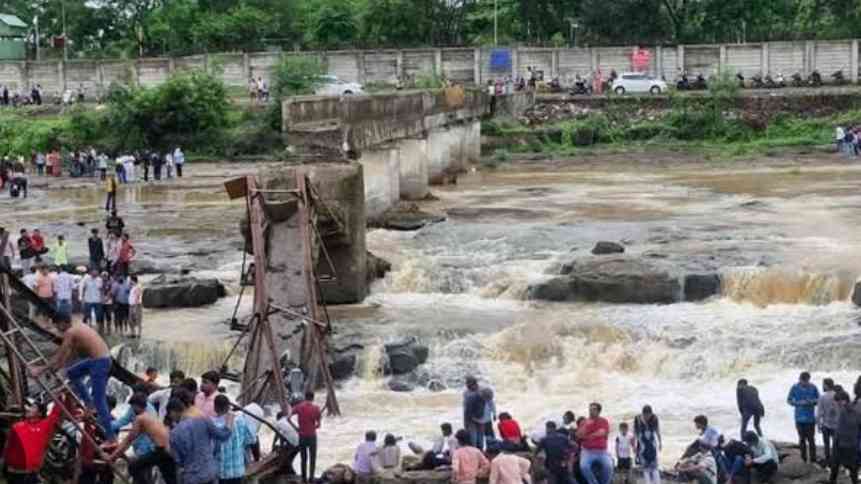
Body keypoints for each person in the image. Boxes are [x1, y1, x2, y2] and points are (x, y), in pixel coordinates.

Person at [30, 313, 115, 441]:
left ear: (63, 322)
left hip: (100, 363)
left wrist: (40, 370)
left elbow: (60, 354)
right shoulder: (77, 326)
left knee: (100, 400)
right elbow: (66, 354)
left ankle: (111, 438)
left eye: (57, 325)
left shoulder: (71, 332)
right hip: (98, 360)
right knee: (72, 373)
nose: (57, 329)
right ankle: (89, 403)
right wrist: (56, 367)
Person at [106, 393, 175, 484]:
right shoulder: (150, 415)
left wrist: (112, 456)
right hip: (169, 449)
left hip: (161, 450)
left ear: (136, 406)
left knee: (133, 466)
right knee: (170, 478)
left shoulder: (140, 418)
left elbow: (129, 440)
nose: (131, 409)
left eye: (132, 406)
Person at [167, 397, 233, 484]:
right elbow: (223, 436)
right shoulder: (203, 420)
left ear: (173, 412)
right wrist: (229, 422)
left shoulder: (174, 433)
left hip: (192, 477)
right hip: (210, 473)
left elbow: (178, 460)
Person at [3, 396, 66, 484]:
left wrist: (60, 397)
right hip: (13, 474)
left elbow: (55, 414)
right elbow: (8, 448)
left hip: (29, 475)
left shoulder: (43, 427)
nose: (28, 409)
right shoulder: (17, 426)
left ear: (40, 413)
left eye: (33, 407)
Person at [214, 395, 255, 484]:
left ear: (215, 408)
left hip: (222, 472)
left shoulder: (213, 424)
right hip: (238, 470)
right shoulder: (241, 420)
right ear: (229, 407)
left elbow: (212, 449)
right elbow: (251, 439)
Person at [827, 390, 859, 484]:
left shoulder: (849, 411)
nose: (836, 404)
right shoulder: (848, 410)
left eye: (838, 402)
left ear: (844, 400)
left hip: (846, 444)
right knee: (847, 468)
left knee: (839, 467)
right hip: (846, 443)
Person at [787, 371, 819, 463]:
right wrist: (797, 403)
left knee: (811, 440)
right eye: (803, 381)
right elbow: (789, 400)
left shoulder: (813, 387)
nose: (805, 383)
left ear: (809, 380)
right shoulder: (794, 387)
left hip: (810, 418)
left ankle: (813, 459)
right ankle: (803, 458)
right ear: (800, 379)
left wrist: (812, 401)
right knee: (801, 439)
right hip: (799, 418)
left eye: (806, 381)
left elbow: (818, 399)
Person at [577, 403, 613, 484]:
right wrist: (585, 425)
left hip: (602, 451)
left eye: (593, 409)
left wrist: (588, 436)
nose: (591, 411)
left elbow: (602, 433)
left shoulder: (603, 421)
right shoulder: (585, 422)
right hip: (587, 451)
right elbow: (579, 435)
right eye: (590, 409)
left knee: (609, 466)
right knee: (584, 466)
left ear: (598, 411)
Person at [292, 390, 322, 483]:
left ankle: (303, 479)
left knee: (303, 458)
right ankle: (311, 478)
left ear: (305, 397)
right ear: (313, 398)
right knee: (313, 458)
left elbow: (288, 417)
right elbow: (319, 424)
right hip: (312, 436)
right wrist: (314, 426)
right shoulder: (316, 408)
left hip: (302, 436)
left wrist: (296, 428)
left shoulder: (298, 407)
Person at [634, 405, 662, 484]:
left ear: (651, 414)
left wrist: (660, 443)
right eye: (645, 415)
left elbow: (657, 431)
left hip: (652, 444)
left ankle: (657, 482)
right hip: (642, 444)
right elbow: (635, 432)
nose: (647, 417)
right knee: (645, 467)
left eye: (649, 415)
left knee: (654, 466)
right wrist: (635, 444)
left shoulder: (654, 418)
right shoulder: (637, 419)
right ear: (642, 413)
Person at [818, 378, 839, 465]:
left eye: (823, 384)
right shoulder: (837, 395)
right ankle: (836, 460)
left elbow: (820, 413)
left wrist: (818, 424)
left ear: (826, 385)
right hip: (837, 425)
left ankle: (828, 460)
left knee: (826, 444)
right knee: (836, 445)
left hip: (826, 424)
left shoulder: (823, 397)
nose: (822, 386)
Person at [463, 376, 485, 449]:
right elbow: (465, 407)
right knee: (474, 436)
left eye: (469, 385)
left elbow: (467, 408)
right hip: (477, 417)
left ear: (475, 384)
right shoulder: (467, 392)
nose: (468, 386)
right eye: (467, 385)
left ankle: (478, 450)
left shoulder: (479, 392)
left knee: (477, 436)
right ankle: (477, 450)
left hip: (475, 417)